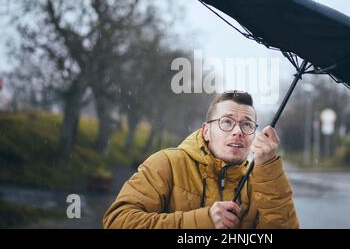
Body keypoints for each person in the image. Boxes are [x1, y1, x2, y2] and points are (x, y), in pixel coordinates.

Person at [103, 91, 299, 229]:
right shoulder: (166, 164)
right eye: (227, 122)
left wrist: (268, 169)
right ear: (206, 131)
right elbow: (117, 221)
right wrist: (203, 221)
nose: (238, 132)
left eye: (247, 125)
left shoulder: (261, 181)